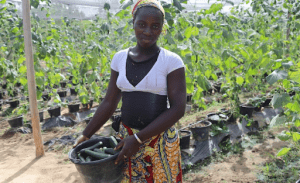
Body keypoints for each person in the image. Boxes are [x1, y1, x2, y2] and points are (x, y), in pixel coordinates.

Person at [73, 0, 186, 182]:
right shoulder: (119, 58)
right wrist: (86, 134)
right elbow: (110, 102)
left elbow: (178, 109)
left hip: (159, 140)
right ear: (133, 22)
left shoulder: (171, 61)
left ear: (161, 28)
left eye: (155, 26)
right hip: (126, 141)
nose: (148, 32)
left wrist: (139, 139)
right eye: (142, 24)